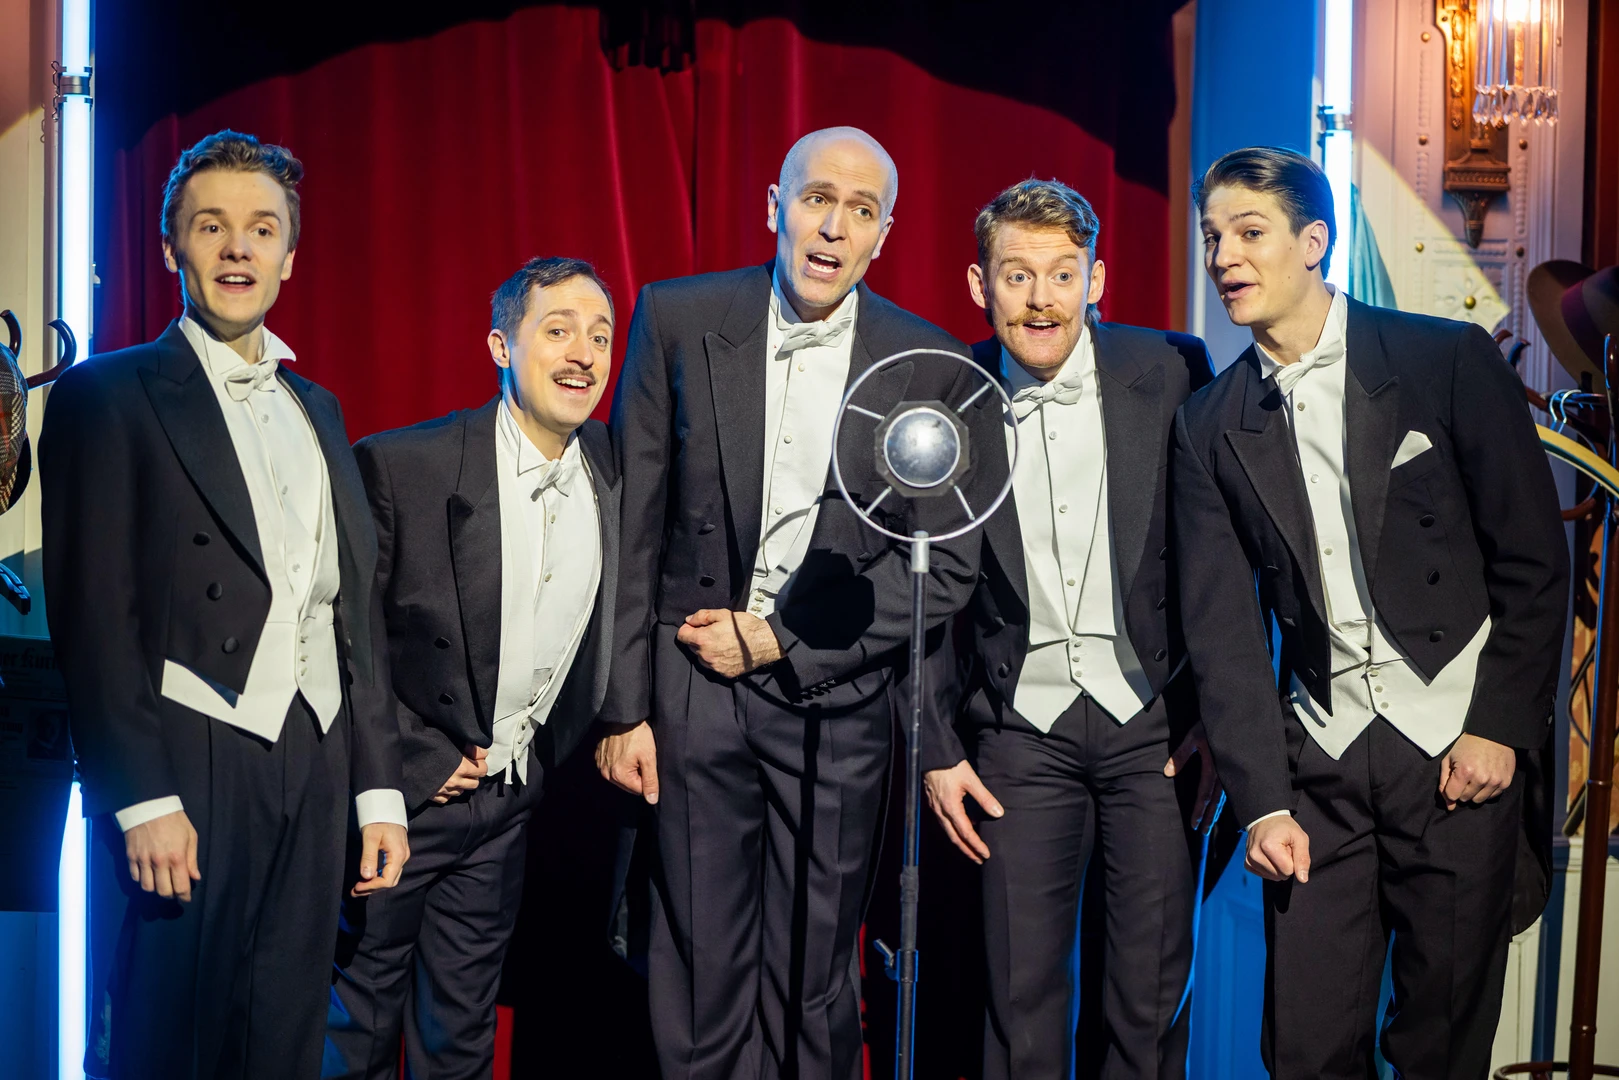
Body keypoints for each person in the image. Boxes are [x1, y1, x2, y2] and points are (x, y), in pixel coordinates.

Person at [597, 125, 988, 1079]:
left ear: (882, 236)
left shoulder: (925, 360)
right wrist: (624, 708)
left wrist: (778, 641)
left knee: (815, 978)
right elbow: (627, 526)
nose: (832, 227)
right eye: (817, 199)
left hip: (840, 704)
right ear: (775, 205)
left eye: (860, 211)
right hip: (690, 692)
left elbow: (944, 569)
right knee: (699, 970)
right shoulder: (678, 317)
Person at [1173, 146, 1568, 1079]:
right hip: (1319, 764)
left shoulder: (1444, 360)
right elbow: (1222, 632)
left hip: (1455, 751)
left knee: (1437, 1045)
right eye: (1211, 237)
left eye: (1248, 232)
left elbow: (1532, 563)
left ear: (1314, 241)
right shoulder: (1208, 425)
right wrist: (1262, 799)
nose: (1224, 255)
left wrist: (1497, 730)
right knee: (1305, 1048)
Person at [39, 129, 409, 1080]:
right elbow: (94, 615)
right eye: (212, 227)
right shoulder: (105, 395)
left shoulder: (316, 406)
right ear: (172, 248)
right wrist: (140, 795)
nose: (238, 248)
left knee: (284, 1034)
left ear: (291, 253)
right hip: (191, 757)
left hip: (316, 754)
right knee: (172, 1042)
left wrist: (376, 787)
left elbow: (349, 611)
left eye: (260, 229)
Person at [919, 178, 1217, 1079]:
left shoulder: (1171, 370)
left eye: (1061, 274)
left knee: (1147, 997)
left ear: (1095, 279)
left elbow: (1219, 561)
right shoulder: (943, 394)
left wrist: (1215, 717)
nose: (1040, 298)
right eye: (1016, 276)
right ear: (980, 286)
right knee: (1016, 1002)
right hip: (1016, 734)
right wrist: (935, 745)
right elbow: (916, 593)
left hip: (1151, 729)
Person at [323, 256, 621, 1079]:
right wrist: (411, 767)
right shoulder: (402, 466)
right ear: (500, 345)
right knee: (356, 1030)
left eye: (600, 336)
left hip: (508, 807)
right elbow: (351, 644)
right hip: (400, 807)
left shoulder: (612, 472)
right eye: (557, 330)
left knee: (460, 1036)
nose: (582, 355)